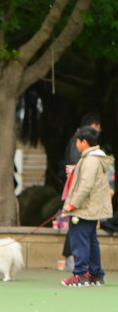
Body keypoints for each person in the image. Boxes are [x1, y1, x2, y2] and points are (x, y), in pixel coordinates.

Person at [60, 126, 113, 287]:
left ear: (84, 142)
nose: (76, 144)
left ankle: (80, 274)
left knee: (80, 240)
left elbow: (86, 185)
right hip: (91, 208)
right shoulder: (94, 158)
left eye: (77, 141)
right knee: (91, 240)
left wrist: (72, 204)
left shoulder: (90, 160)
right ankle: (96, 274)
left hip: (84, 209)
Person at [60, 112, 101, 271]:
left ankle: (83, 270)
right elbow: (80, 178)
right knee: (85, 234)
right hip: (81, 198)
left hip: (83, 200)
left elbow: (84, 182)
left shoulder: (91, 157)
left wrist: (72, 203)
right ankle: (91, 271)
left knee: (82, 233)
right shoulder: (79, 147)